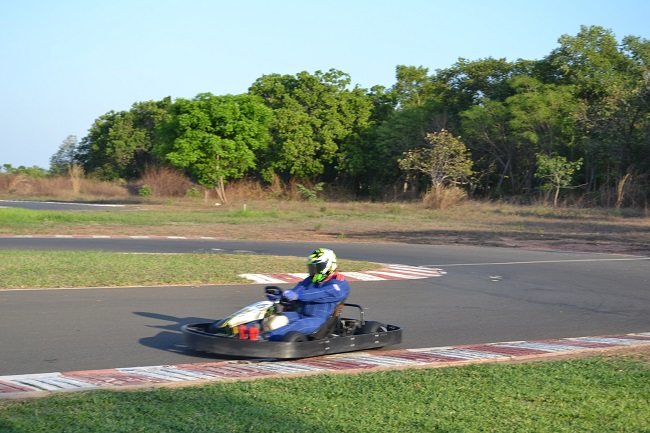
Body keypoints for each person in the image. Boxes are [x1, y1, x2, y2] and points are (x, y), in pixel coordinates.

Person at [265, 247, 350, 341]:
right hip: (300, 314)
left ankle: (267, 338)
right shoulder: (310, 280)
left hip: (319, 320)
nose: (314, 271)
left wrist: (299, 296)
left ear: (328, 266)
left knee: (298, 325)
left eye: (316, 268)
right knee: (274, 319)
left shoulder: (339, 284)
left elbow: (320, 293)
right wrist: (281, 295)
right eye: (312, 268)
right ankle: (249, 331)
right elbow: (297, 290)